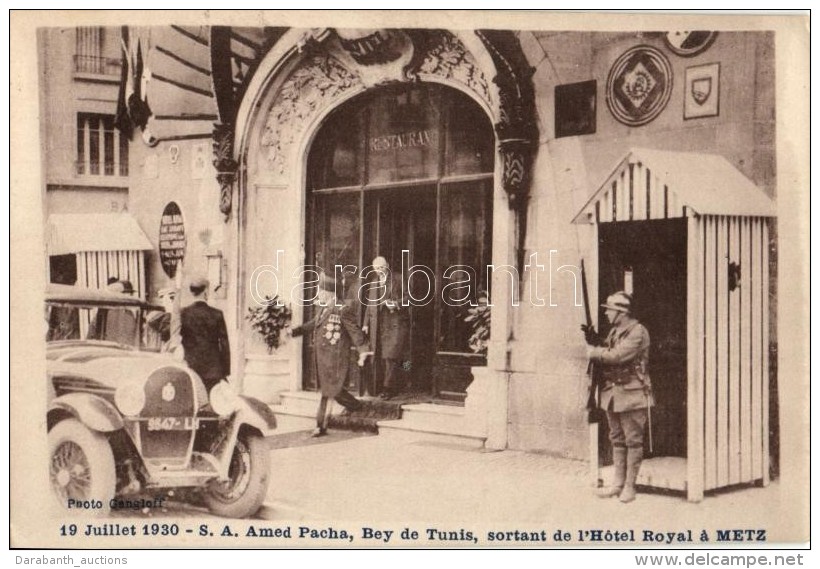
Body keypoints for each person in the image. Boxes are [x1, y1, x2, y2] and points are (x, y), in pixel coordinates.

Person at [585, 291, 653, 503]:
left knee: (633, 441)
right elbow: (608, 350)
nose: (606, 314)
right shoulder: (616, 331)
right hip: (614, 394)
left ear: (621, 313)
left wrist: (593, 351)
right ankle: (617, 484)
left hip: (632, 393)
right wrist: (596, 341)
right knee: (617, 440)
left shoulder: (637, 332)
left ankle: (630, 487)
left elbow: (617, 356)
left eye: (610, 310)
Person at [292, 272, 371, 437]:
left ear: (329, 293)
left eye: (320, 291)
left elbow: (354, 331)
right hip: (323, 359)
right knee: (334, 390)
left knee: (328, 392)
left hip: (335, 359)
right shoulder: (324, 308)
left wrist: (364, 350)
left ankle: (321, 426)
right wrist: (295, 331)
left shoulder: (343, 309)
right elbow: (314, 324)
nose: (318, 294)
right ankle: (355, 405)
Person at [362, 256, 411, 399]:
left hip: (395, 324)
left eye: (382, 268)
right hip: (377, 325)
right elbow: (369, 306)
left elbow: (410, 298)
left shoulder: (398, 279)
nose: (379, 271)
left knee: (391, 357)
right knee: (380, 357)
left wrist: (396, 303)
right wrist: (365, 324)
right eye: (376, 268)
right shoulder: (373, 282)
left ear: (387, 266)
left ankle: (388, 389)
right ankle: (381, 386)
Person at [180, 276, 230, 393]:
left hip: (190, 367)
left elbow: (179, 338)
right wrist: (225, 371)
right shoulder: (217, 314)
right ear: (206, 292)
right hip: (213, 370)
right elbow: (224, 344)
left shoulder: (183, 313)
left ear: (192, 292)